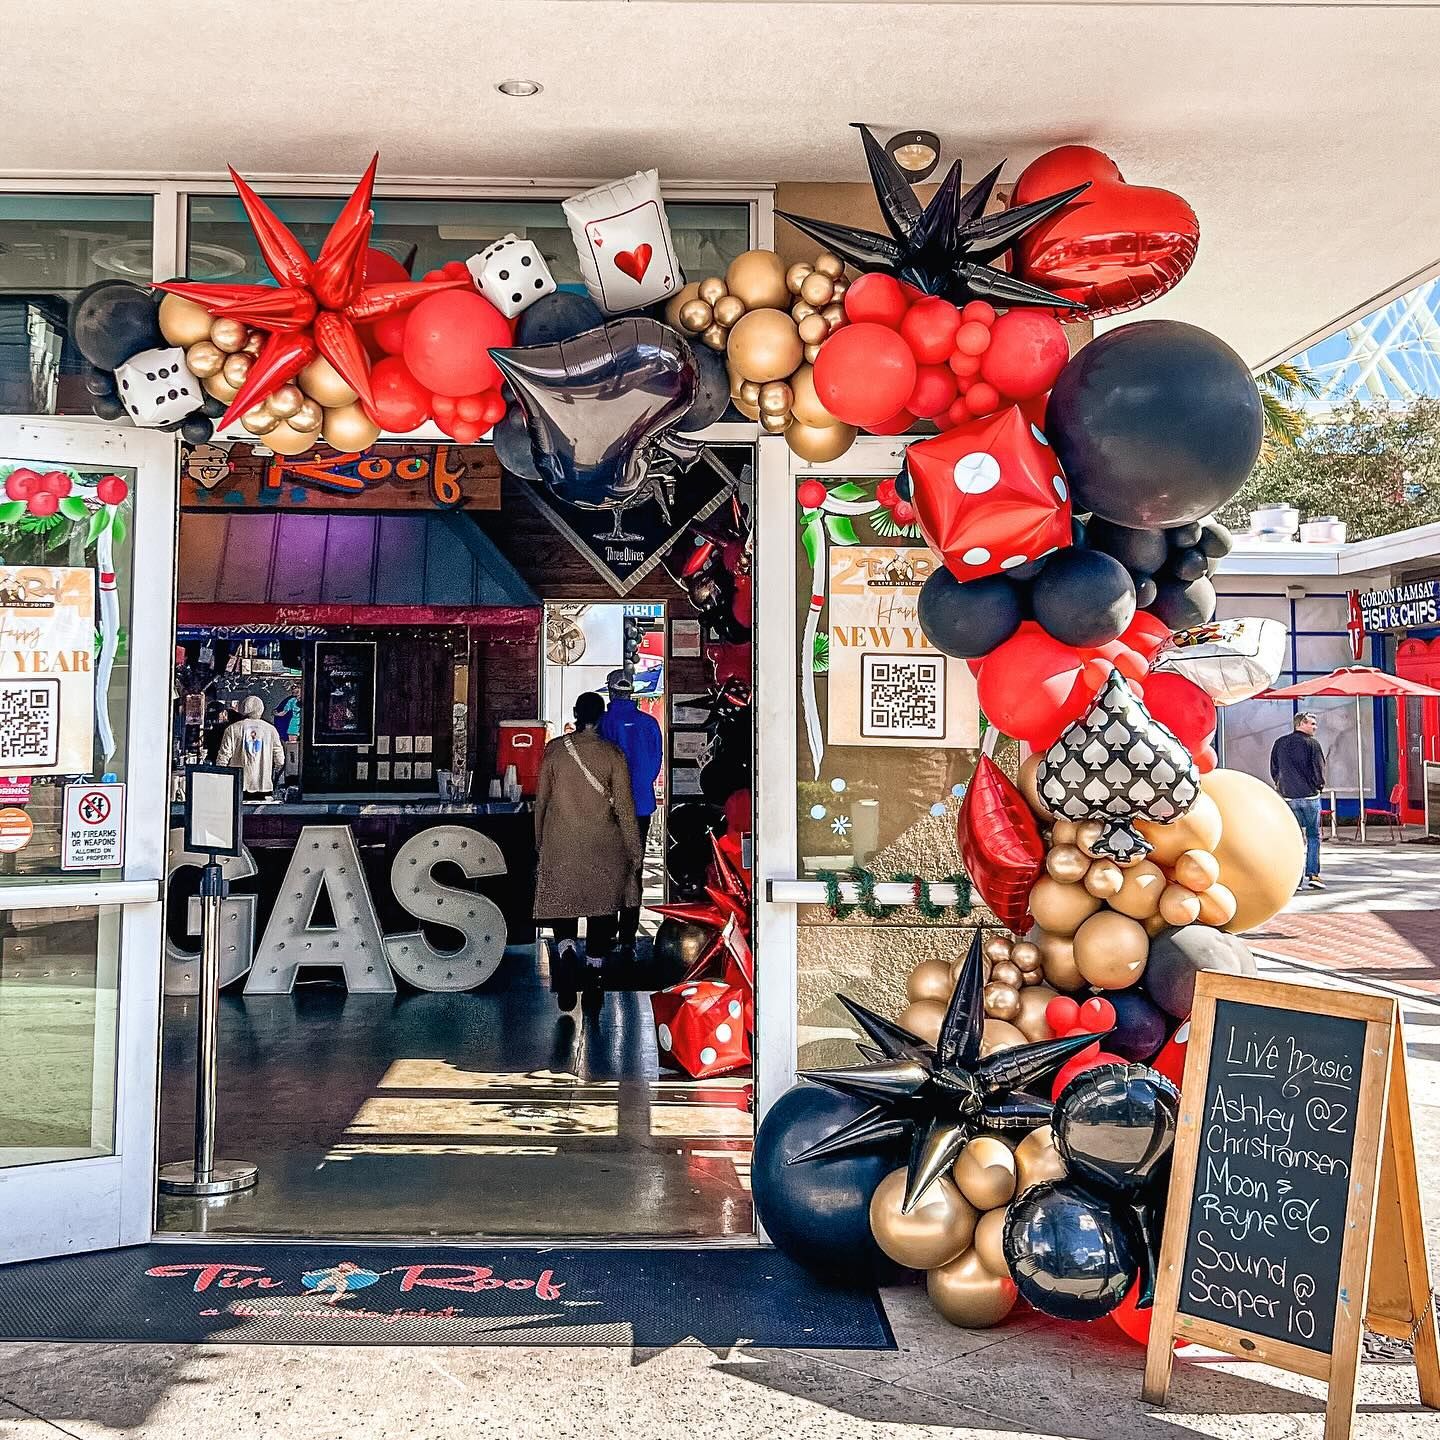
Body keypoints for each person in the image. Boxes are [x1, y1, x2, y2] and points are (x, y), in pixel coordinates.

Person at [533, 692, 643, 969]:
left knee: (563, 901)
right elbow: (625, 809)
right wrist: (635, 851)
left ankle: (566, 948)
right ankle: (595, 963)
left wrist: (540, 840)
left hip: (560, 842)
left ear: (575, 713)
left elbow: (541, 800)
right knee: (601, 906)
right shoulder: (613, 754)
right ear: (602, 716)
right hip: (603, 843)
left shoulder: (555, 750)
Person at [597, 669, 663, 958]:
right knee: (634, 869)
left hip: (607, 809)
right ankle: (628, 937)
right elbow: (655, 764)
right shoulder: (649, 724)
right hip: (641, 806)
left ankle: (605, 931)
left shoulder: (601, 724)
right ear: (632, 691)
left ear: (611, 692)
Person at [1270, 710, 1327, 890]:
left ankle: (1295, 878)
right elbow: (1319, 769)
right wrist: (1319, 786)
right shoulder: (1313, 744)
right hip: (1310, 796)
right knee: (1313, 836)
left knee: (1294, 838)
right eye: (1312, 724)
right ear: (1301, 723)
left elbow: (1274, 768)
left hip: (1288, 796)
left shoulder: (1280, 743)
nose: (1315, 727)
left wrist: (1281, 785)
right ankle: (1313, 874)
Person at [217, 695, 287, 799]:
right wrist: (276, 770)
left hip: (238, 783)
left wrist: (220, 776)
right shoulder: (270, 729)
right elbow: (280, 758)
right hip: (263, 785)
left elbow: (223, 756)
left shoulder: (232, 729)